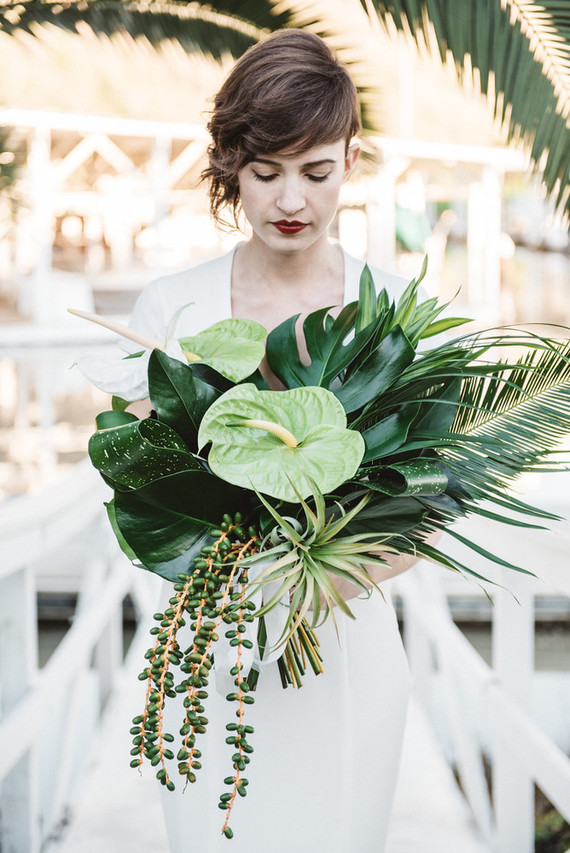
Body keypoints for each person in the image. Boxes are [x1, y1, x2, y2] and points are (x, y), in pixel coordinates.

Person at [127, 29, 414, 853]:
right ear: (229, 167)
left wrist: (313, 579)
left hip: (344, 643)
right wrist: (240, 576)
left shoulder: (387, 308)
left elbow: (424, 509)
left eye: (317, 171)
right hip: (208, 649)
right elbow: (144, 489)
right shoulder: (172, 308)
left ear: (350, 161)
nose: (292, 198)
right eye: (266, 172)